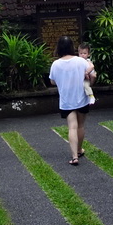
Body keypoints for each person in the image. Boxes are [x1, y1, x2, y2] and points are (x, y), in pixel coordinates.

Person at [49, 35, 92, 165]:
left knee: (72, 127)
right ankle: (79, 150)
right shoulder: (81, 61)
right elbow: (91, 73)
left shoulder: (55, 64)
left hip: (66, 100)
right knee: (81, 125)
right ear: (72, 47)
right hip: (82, 98)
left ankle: (74, 157)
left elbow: (52, 81)